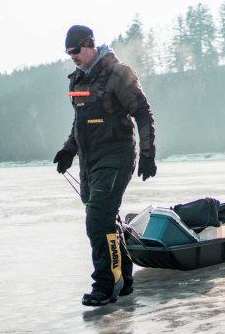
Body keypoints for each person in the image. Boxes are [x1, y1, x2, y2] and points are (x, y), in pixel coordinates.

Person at [53, 24, 157, 306]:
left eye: (75, 50)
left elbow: (143, 113)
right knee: (107, 218)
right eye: (68, 52)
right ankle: (123, 280)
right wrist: (68, 150)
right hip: (90, 160)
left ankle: (105, 285)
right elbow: (80, 123)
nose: (72, 56)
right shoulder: (77, 80)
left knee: (98, 220)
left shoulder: (117, 74)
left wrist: (148, 154)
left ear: (88, 45)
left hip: (117, 156)